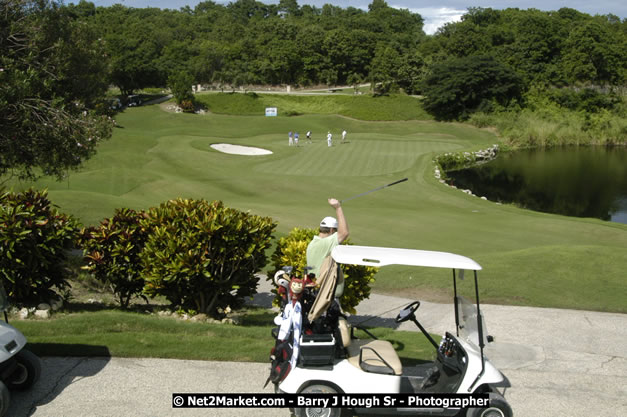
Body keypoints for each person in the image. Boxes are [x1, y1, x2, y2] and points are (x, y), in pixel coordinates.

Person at [306, 198, 349, 278]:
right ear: (332, 230)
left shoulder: (312, 243)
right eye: (336, 231)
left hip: (315, 285)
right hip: (322, 287)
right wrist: (338, 208)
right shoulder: (324, 243)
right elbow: (344, 233)